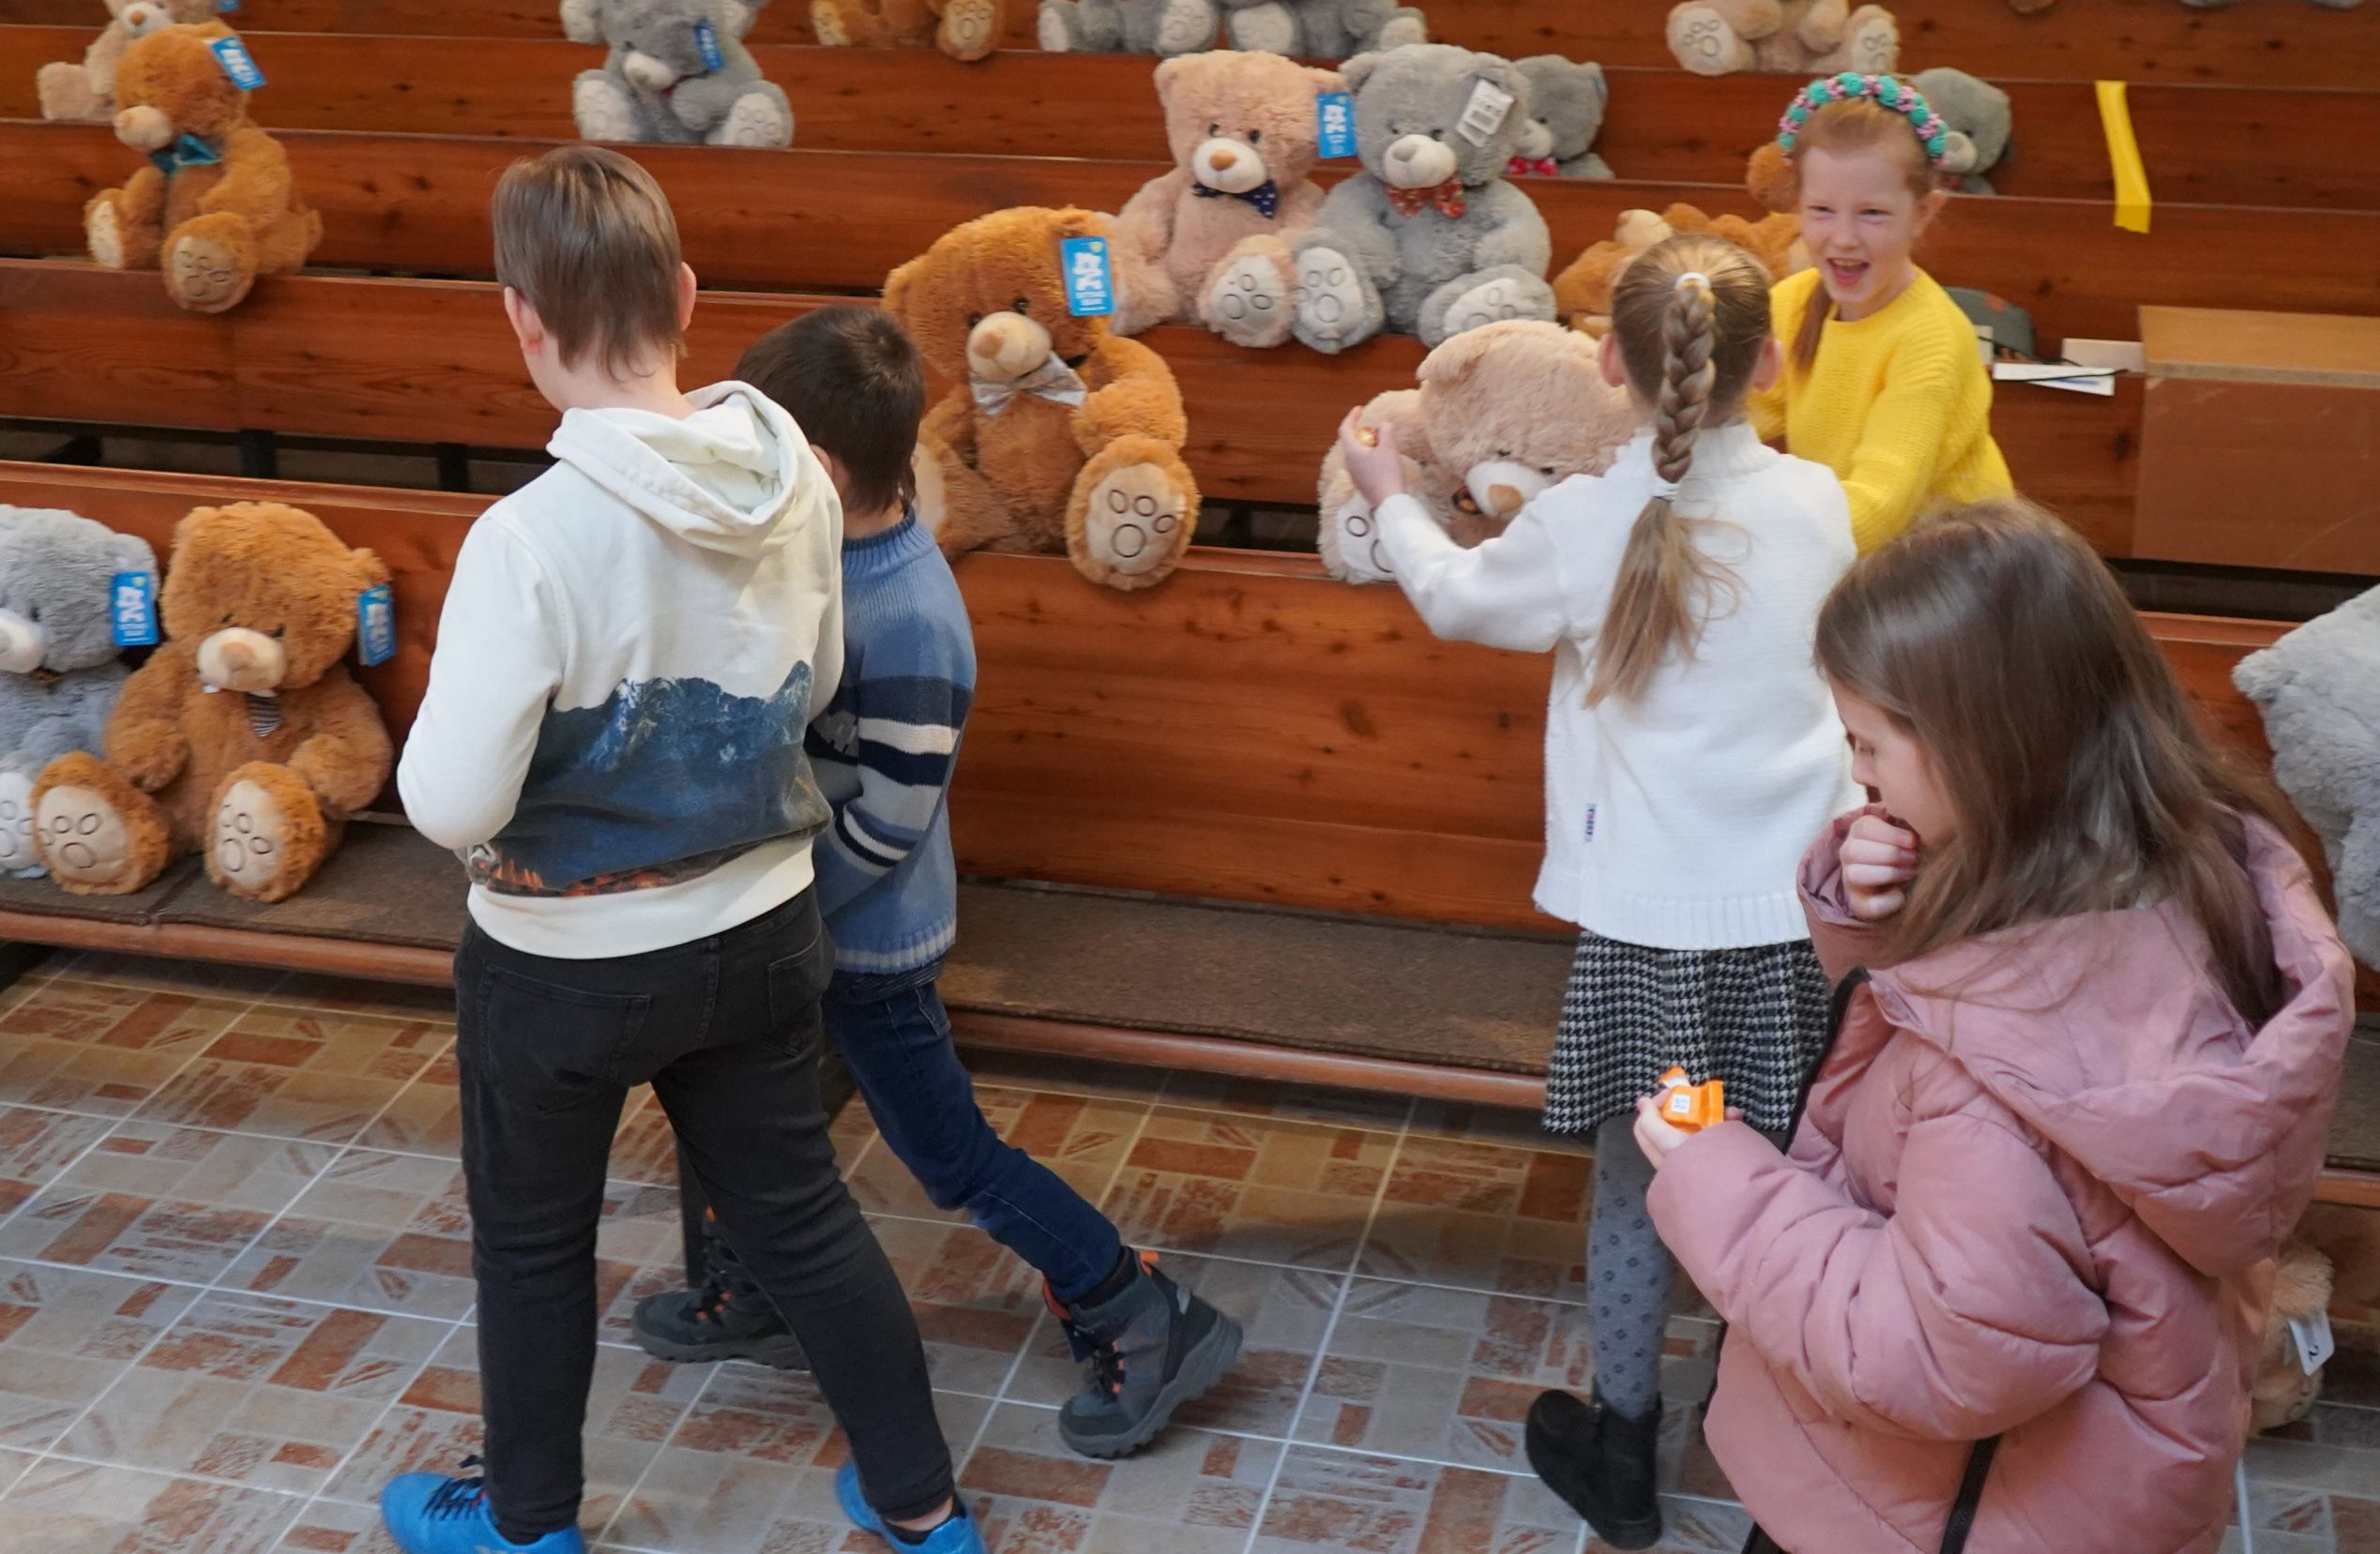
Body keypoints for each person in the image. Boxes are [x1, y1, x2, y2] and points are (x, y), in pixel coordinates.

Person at [384, 149, 976, 1554]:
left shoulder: (526, 539)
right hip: (763, 928)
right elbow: (815, 682)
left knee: (533, 1247)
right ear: (688, 297)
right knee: (805, 1223)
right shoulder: (803, 487)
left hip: (563, 968)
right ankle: (922, 1509)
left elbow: (454, 805)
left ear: (520, 315)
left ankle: (528, 1529)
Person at [1640, 502, 2356, 1554]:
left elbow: (1938, 1352)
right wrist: (1888, 894)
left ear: (1979, 754)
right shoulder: (2185, 870)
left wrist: (1712, 1172)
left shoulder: (1988, 1070)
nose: (1860, 773)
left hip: (1935, 1513)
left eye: (1869, 742)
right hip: (2085, 1492)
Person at [629, 304, 1245, 1456]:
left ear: (812, 465)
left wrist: (781, 920)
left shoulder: (907, 611)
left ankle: (1138, 1304)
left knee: (950, 1155)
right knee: (736, 1105)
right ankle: (760, 1282)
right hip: (796, 921)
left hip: (860, 942)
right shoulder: (826, 544)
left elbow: (888, 826)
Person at [1338, 233, 1861, 1550]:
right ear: (1776, 356)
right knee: (1785, 1192)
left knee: (1648, 1190)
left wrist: (1386, 489)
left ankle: (1622, 1450)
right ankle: (1781, 1465)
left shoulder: (1582, 526)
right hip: (1799, 941)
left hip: (1654, 953)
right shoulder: (1817, 505)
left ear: (1606, 366)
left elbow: (1456, 600)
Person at [1746, 74, 2014, 553]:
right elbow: (1738, 420)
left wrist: (1754, 544)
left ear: (1923, 213)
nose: (1843, 237)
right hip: (1859, 557)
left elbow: (1878, 508)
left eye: (1872, 213)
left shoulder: (1931, 337)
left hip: (1955, 573)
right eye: (1822, 210)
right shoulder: (1791, 301)